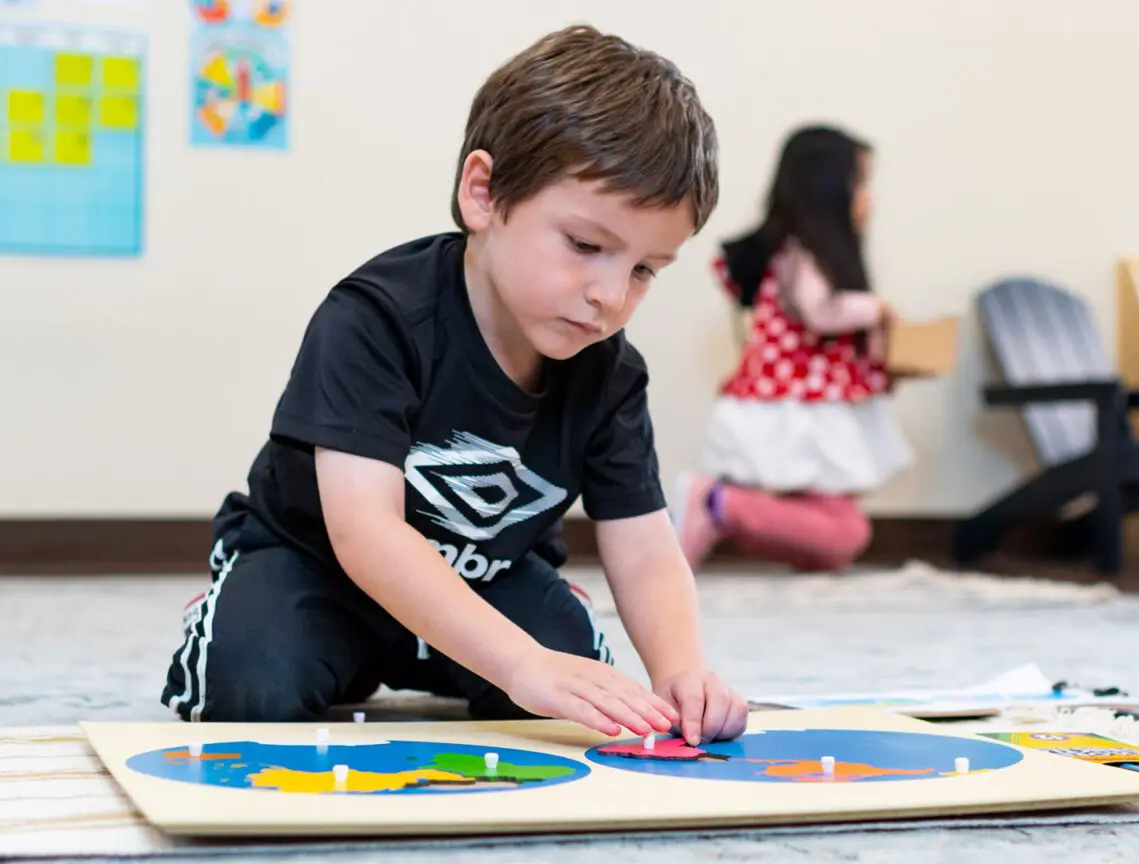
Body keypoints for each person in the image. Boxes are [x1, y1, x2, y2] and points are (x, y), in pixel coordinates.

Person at [160, 24, 748, 748]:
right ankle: (244, 609)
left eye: (644, 269)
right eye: (586, 246)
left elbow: (644, 544)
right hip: (320, 571)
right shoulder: (376, 318)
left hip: (485, 580)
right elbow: (365, 533)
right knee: (249, 688)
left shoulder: (609, 369)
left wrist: (681, 668)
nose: (610, 295)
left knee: (576, 696)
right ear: (483, 193)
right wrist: (522, 662)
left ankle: (489, 645)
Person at [673, 125, 914, 572]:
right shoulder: (803, 255)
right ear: (828, 190)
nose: (868, 198)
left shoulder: (803, 253)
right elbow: (819, 312)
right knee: (847, 533)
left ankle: (723, 506)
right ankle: (715, 501)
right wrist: (877, 308)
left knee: (837, 529)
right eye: (859, 184)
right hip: (797, 404)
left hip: (809, 403)